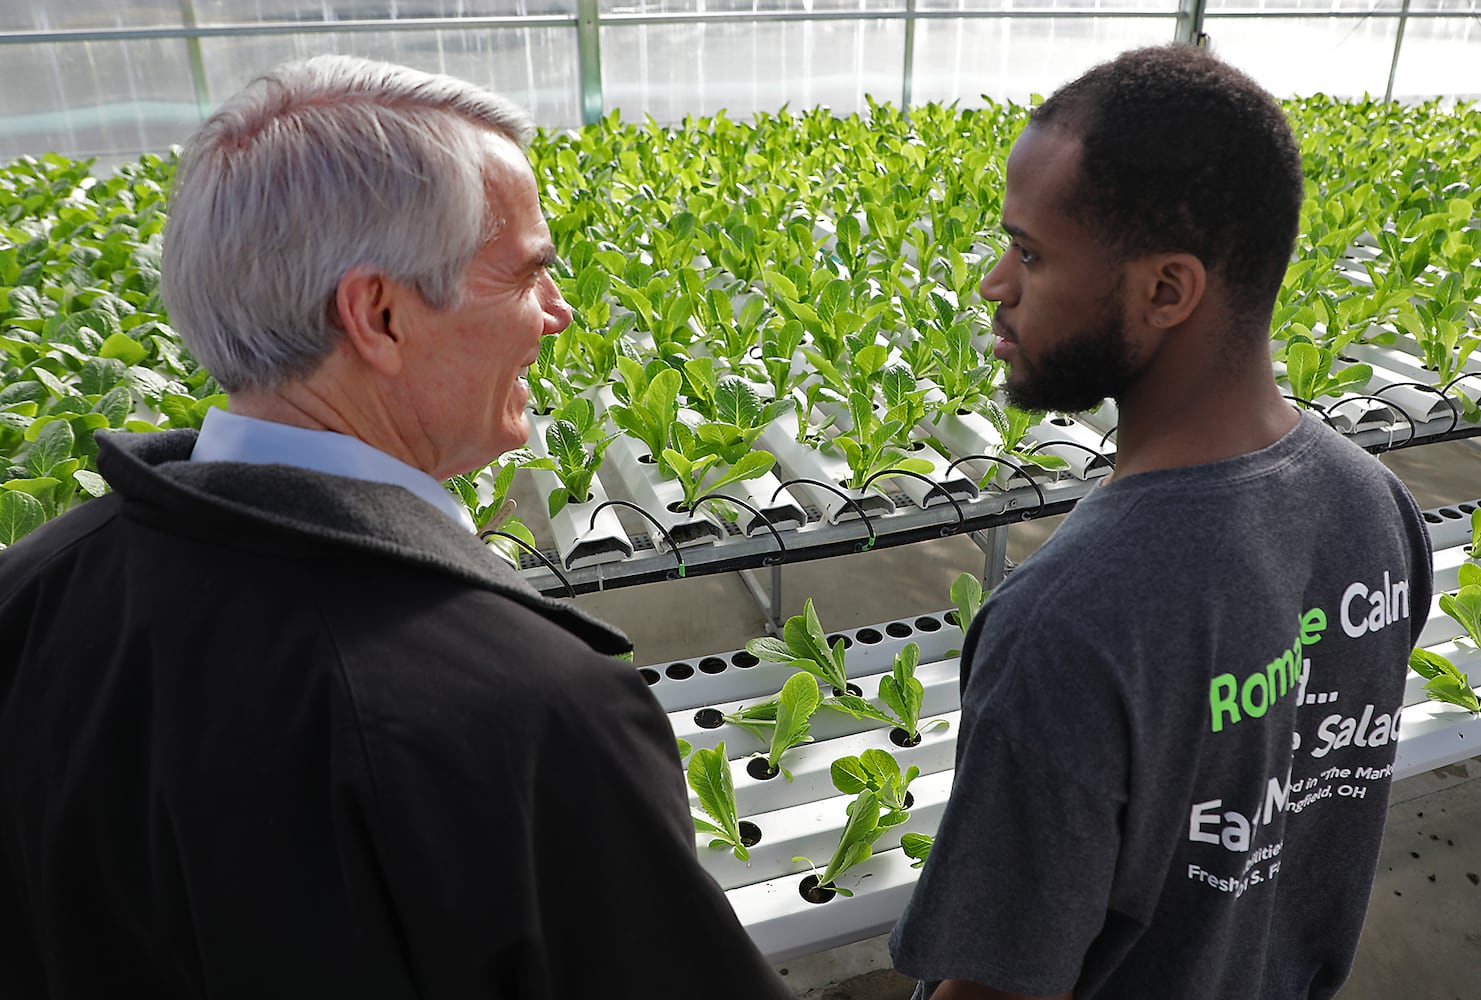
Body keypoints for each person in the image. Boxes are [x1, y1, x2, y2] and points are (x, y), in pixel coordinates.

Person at [0, 56, 791, 1000]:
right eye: (528, 274)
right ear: (378, 315)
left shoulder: (31, 587)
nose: (558, 313)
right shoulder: (526, 708)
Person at [890, 45, 1433, 1000]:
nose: (992, 284)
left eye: (1028, 252)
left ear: (1166, 291)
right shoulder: (1375, 504)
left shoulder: (1068, 626)